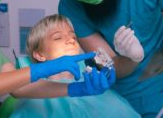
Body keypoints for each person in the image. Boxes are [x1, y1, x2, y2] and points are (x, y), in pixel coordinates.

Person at [10, 14, 140, 118]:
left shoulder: (92, 86)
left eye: (73, 36)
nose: (71, 40)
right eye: (58, 38)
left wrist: (133, 58)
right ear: (39, 55)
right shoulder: (34, 99)